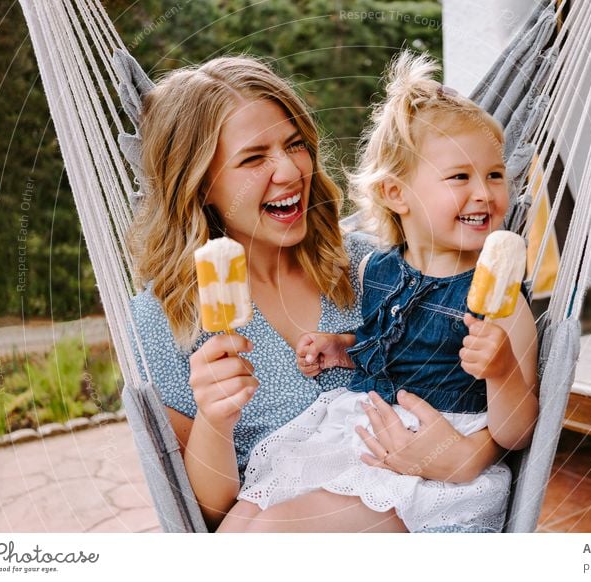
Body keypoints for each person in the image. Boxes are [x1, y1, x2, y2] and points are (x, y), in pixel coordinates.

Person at [128, 54, 505, 532]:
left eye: (295, 144)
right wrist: (214, 420)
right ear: (201, 184)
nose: (289, 171)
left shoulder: (369, 267)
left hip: (415, 504)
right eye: (253, 157)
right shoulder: (165, 319)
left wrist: (472, 452)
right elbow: (209, 515)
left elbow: (484, 376)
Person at [222, 52, 539, 533]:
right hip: (359, 433)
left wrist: (501, 371)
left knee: (274, 530)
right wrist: (343, 348)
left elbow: (517, 434)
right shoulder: (376, 269)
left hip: (430, 470)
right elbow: (386, 348)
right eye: (460, 177)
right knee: (245, 517)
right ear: (395, 194)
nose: (484, 193)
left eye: (495, 175)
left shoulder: (503, 303)